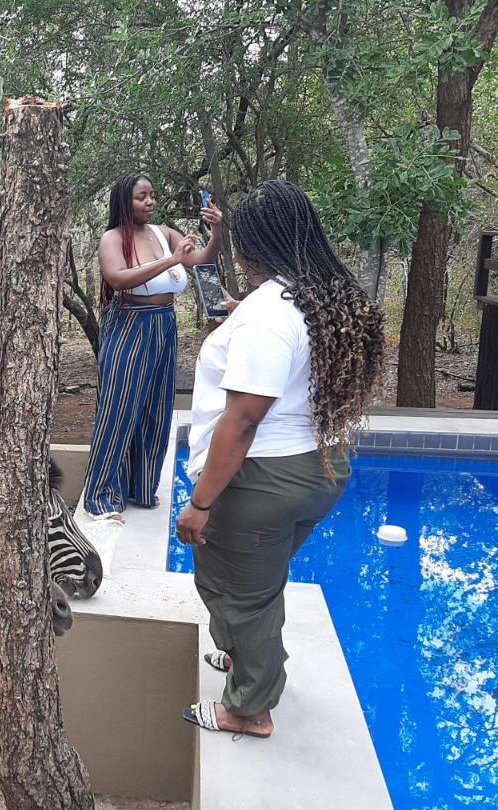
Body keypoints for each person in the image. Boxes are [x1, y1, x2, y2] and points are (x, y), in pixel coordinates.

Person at [176, 180, 385, 739]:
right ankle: (243, 659)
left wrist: (200, 503)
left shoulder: (268, 317)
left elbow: (241, 422)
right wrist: (242, 315)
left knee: (242, 594)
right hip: (321, 466)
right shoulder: (321, 295)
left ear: (249, 248)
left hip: (263, 478)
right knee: (256, 579)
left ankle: (248, 709)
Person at [83, 173, 223, 522]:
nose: (150, 202)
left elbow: (202, 260)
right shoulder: (112, 238)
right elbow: (117, 278)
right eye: (141, 197)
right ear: (123, 202)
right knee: (119, 408)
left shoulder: (165, 234)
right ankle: (100, 496)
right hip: (128, 324)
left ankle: (140, 488)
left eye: (152, 195)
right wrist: (171, 260)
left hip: (163, 324)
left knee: (156, 409)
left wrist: (218, 231)